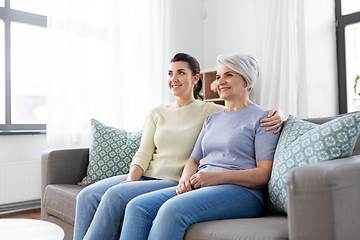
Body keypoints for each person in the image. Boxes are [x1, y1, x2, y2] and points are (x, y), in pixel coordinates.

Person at [73, 53, 283, 240]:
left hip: (243, 191)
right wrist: (184, 181)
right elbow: (194, 160)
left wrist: (213, 177)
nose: (220, 81)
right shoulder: (213, 119)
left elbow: (263, 175)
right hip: (201, 183)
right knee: (137, 206)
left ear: (246, 79)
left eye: (229, 75)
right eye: (218, 76)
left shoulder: (264, 118)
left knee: (170, 210)